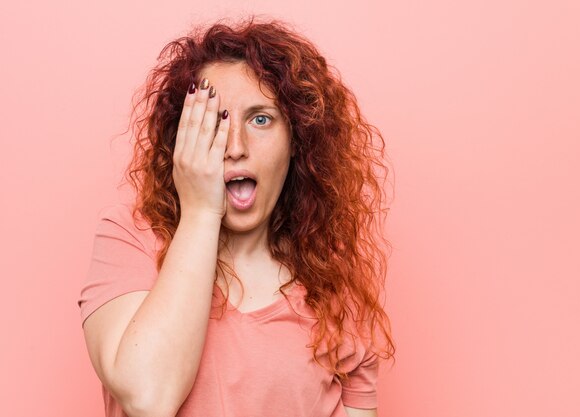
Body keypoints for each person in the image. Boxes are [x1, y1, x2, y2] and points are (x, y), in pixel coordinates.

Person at [77, 15, 395, 417]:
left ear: (297, 142)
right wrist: (200, 210)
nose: (235, 146)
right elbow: (147, 398)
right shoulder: (130, 237)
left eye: (261, 119)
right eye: (215, 121)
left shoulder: (334, 289)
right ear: (183, 138)